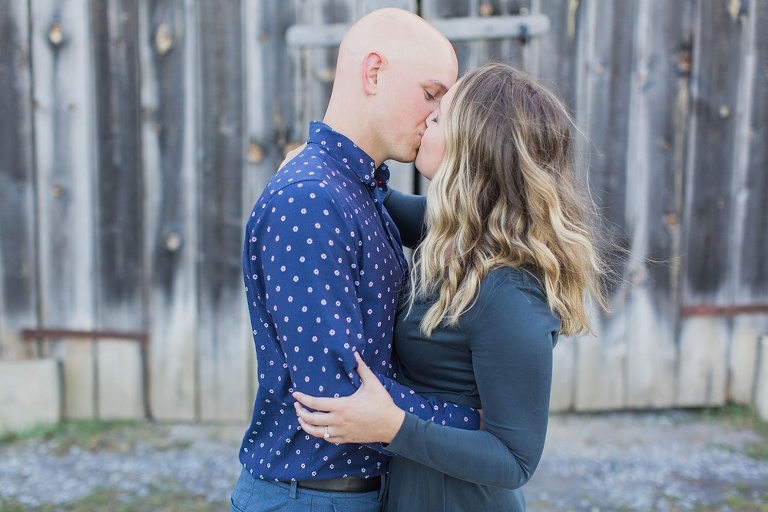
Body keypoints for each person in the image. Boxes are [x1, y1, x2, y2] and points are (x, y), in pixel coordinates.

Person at [292, 62, 610, 511]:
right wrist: (319, 164)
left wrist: (394, 426)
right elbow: (373, 200)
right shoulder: (454, 235)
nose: (427, 117)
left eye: (440, 116)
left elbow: (515, 459)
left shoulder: (510, 292)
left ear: (473, 150)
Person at [230, 8, 482, 512]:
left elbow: (463, 224)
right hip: (311, 499)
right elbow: (337, 397)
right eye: (431, 94)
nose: (436, 116)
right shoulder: (310, 200)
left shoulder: (356, 189)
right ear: (373, 73)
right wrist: (476, 425)